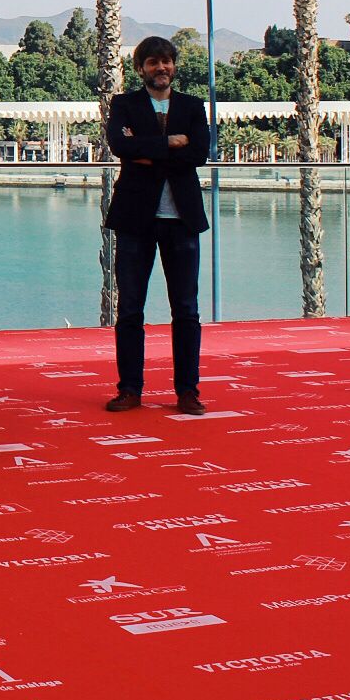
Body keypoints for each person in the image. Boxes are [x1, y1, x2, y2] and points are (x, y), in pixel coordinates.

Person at [103, 35, 211, 415]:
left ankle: (187, 391)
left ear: (174, 66)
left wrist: (147, 147)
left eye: (166, 61)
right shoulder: (124, 104)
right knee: (130, 308)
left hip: (181, 220)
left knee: (186, 309)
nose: (160, 68)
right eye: (152, 62)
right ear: (140, 68)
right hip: (136, 220)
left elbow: (199, 152)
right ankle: (130, 389)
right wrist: (170, 143)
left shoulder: (193, 107)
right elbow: (120, 146)